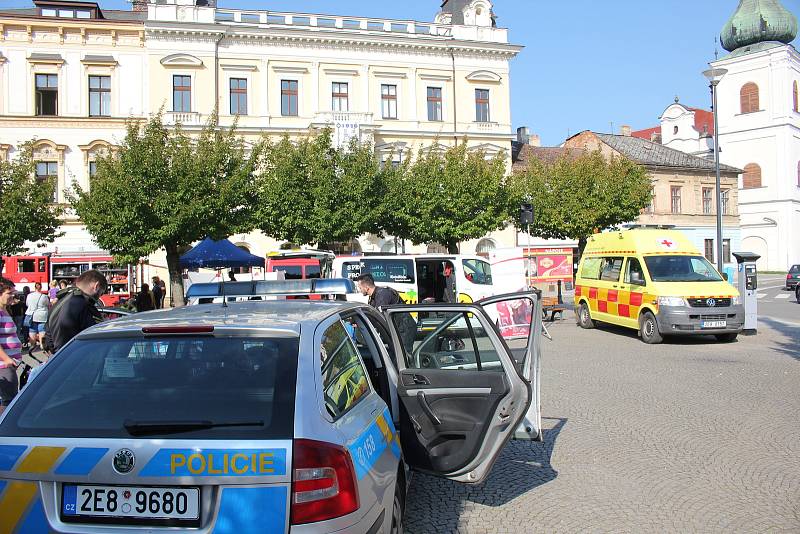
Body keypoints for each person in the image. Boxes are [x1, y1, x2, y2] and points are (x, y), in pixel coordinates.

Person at [45, 269, 107, 353]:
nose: (100, 296)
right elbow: (98, 340)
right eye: (101, 292)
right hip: (81, 360)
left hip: (59, 360)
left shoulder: (57, 303)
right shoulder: (86, 306)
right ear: (96, 286)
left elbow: (49, 341)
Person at [355, 273, 416, 355]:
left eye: (360, 287)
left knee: (404, 356)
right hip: (397, 328)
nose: (359, 289)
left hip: (405, 327)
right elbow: (371, 315)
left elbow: (379, 317)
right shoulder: (373, 297)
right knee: (395, 356)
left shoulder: (382, 295)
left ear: (366, 287)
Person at [0, 277, 22, 414]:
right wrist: (7, 359)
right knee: (9, 401)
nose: (12, 296)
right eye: (9, 293)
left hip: (9, 364)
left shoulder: (6, 310)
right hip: (4, 365)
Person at [24, 282, 49, 356]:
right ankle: (42, 345)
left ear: (34, 288)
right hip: (42, 315)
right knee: (42, 330)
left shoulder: (29, 295)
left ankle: (33, 345)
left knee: (32, 330)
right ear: (41, 288)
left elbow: (27, 304)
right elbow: (47, 304)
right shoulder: (44, 296)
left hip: (32, 316)